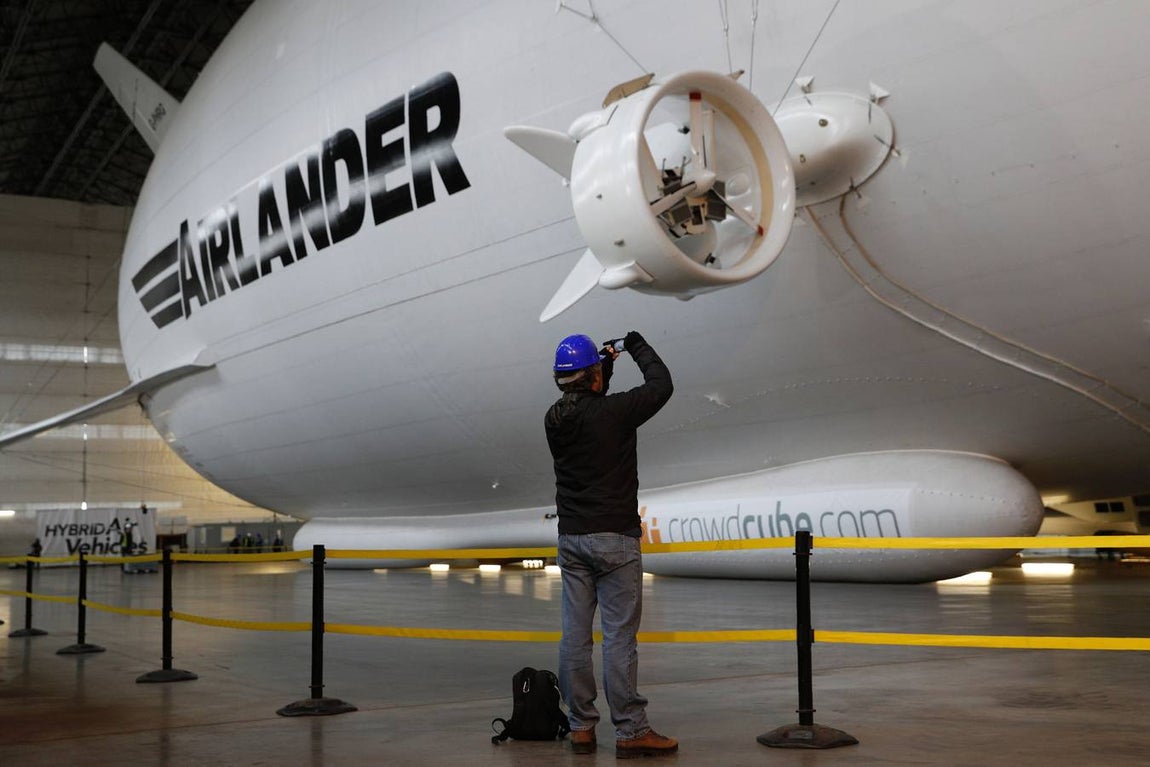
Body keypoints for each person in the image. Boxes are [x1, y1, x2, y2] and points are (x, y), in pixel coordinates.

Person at [544, 330, 676, 758]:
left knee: (575, 636)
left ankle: (581, 726)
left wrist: (603, 367)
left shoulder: (554, 419)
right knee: (619, 638)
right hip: (615, 541)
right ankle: (631, 731)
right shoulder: (615, 413)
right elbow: (661, 386)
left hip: (572, 540)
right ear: (594, 376)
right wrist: (635, 345)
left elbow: (590, 405)